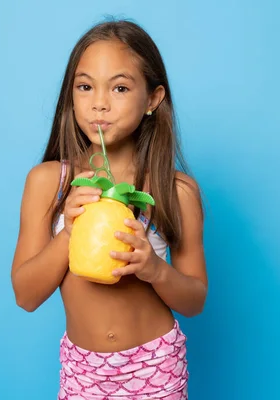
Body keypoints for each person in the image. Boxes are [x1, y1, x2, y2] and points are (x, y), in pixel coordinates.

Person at [11, 19, 207, 400]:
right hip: (83, 371)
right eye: (85, 87)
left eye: (119, 87)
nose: (99, 103)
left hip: (156, 365)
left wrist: (154, 270)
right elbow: (26, 296)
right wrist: (68, 230)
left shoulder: (175, 190)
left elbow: (195, 300)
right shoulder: (48, 183)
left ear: (153, 99)